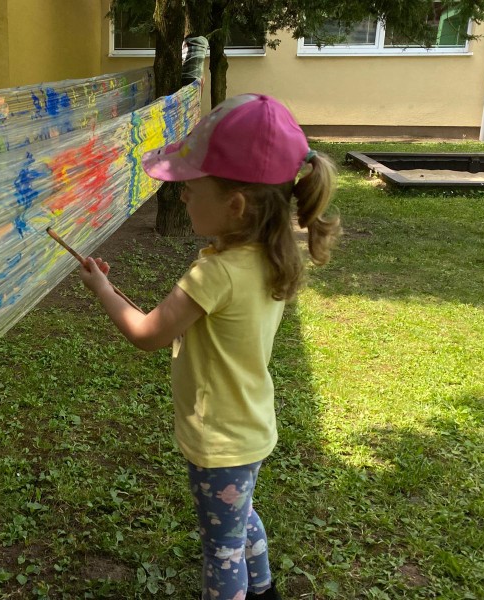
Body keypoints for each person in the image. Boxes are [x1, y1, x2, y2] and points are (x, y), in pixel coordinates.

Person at [78, 93, 341, 600]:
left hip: (219, 441)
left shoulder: (214, 274)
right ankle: (263, 590)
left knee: (221, 549)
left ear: (235, 206)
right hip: (249, 427)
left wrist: (103, 290)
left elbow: (147, 334)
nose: (182, 198)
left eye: (191, 189)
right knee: (241, 520)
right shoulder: (271, 256)